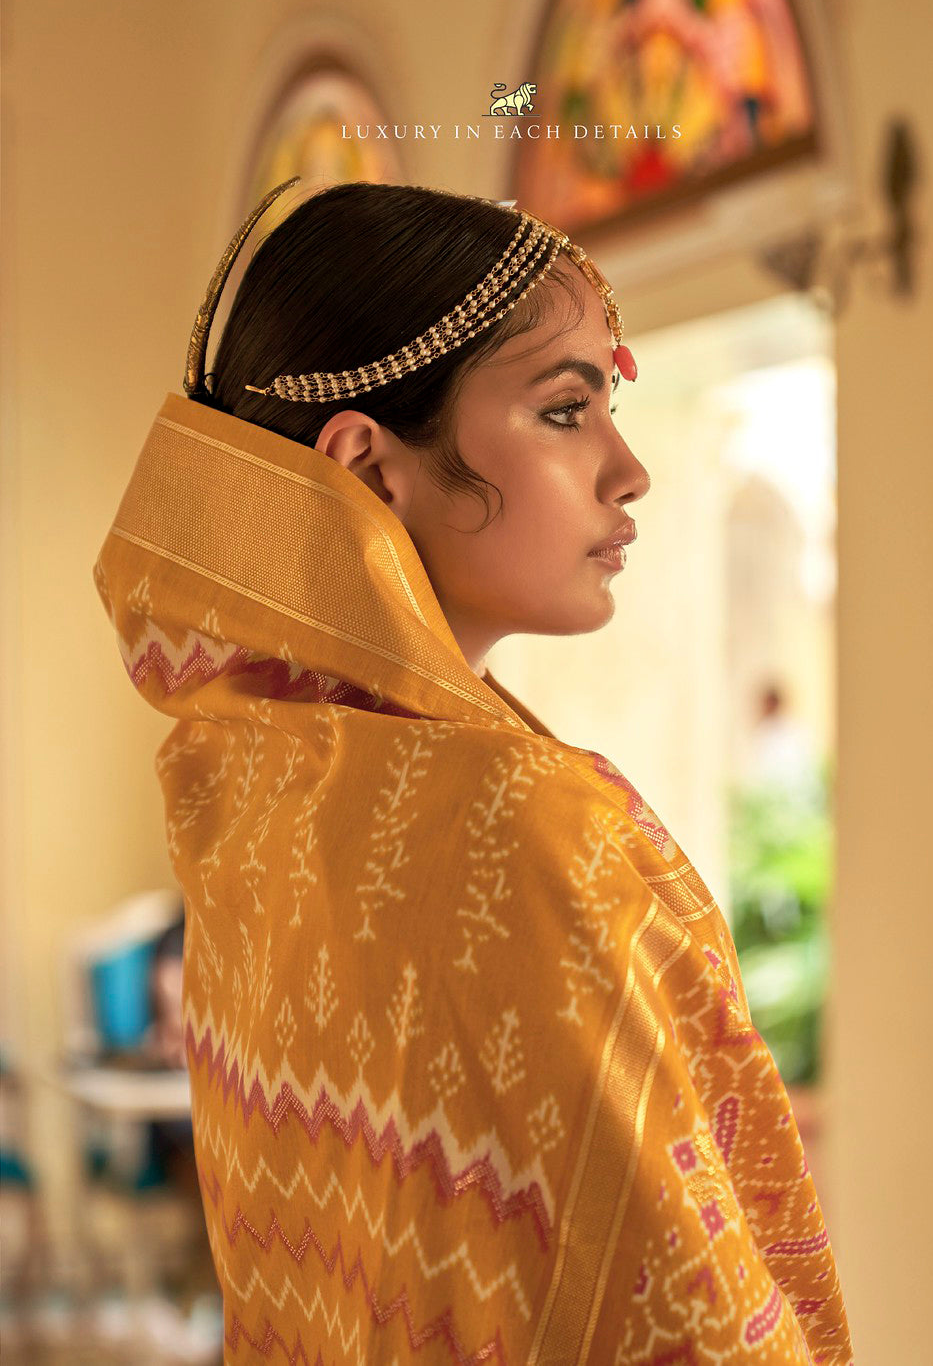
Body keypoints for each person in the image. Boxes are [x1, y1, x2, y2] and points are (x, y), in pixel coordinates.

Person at [94, 177, 853, 1363]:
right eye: (566, 410)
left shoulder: (240, 776)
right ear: (367, 468)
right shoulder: (527, 824)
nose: (629, 469)